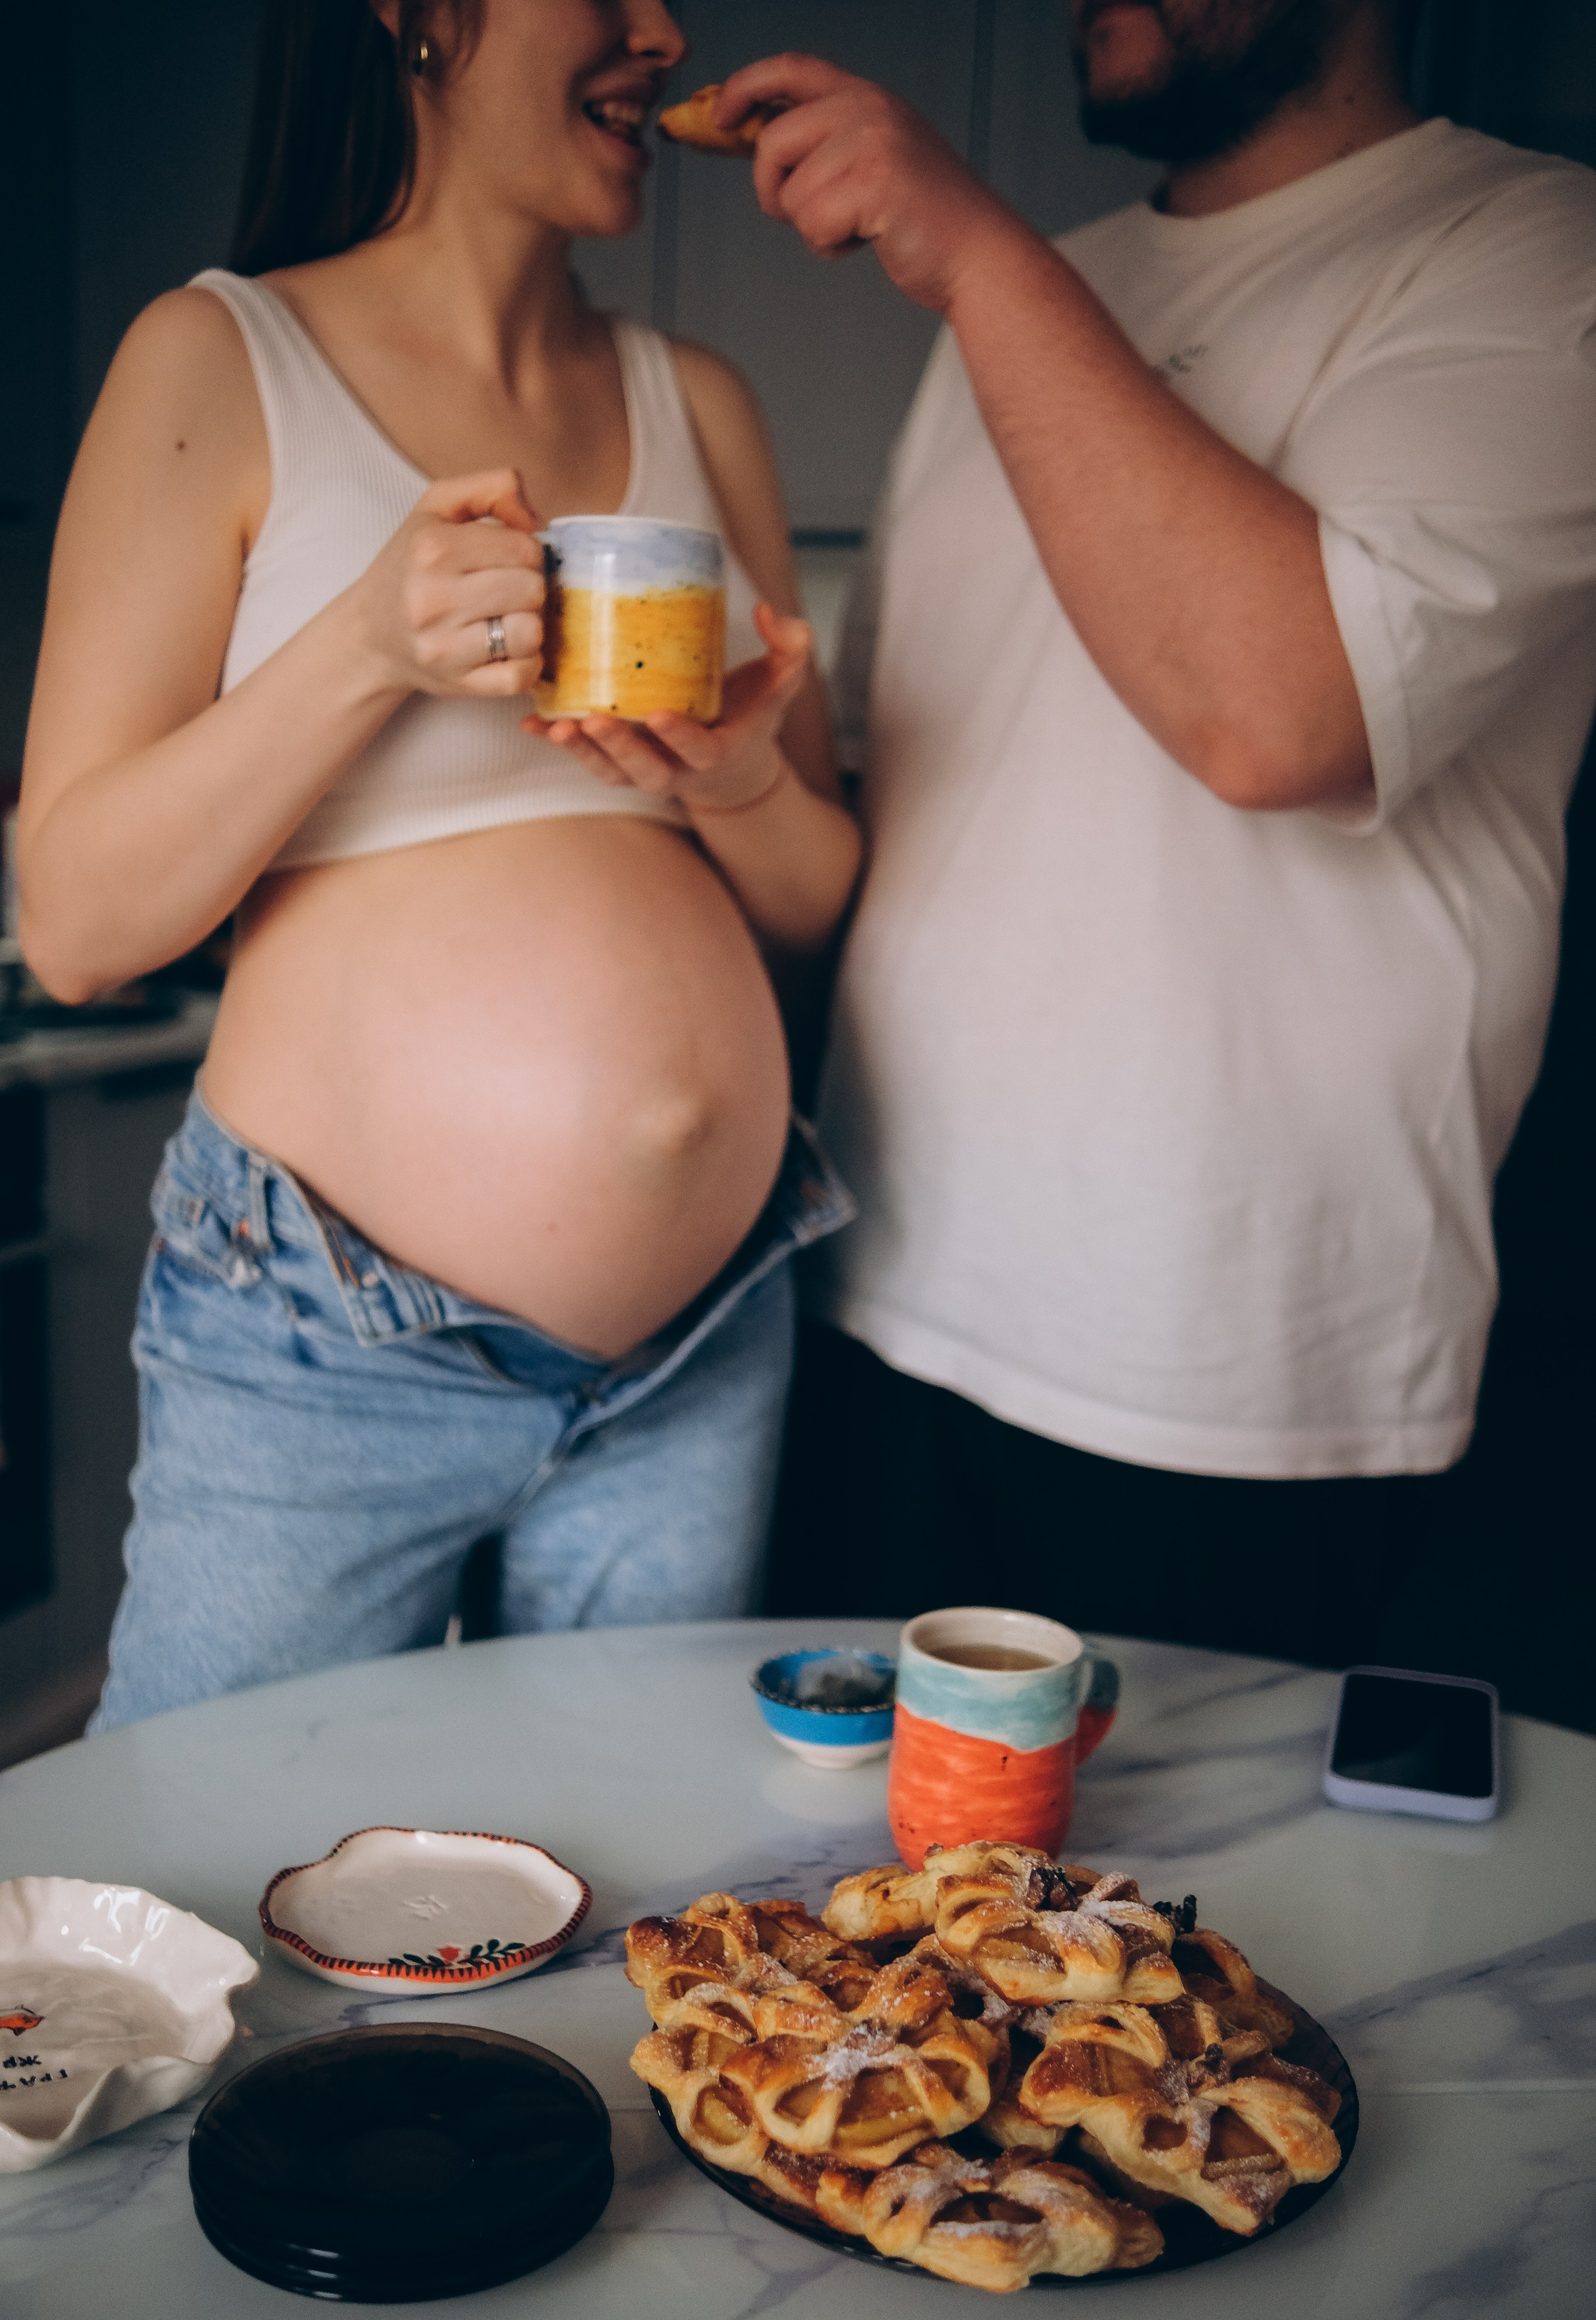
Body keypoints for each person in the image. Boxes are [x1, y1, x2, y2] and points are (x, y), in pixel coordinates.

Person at [17, 0, 860, 1729]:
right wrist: (362, 651)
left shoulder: (697, 400)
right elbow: (77, 927)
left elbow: (813, 894)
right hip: (323, 1345)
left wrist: (741, 774)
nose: (662, 29)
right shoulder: (217, 359)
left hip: (698, 1343)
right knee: (204, 1900)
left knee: (640, 1904)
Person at [726, 2, 1596, 1663]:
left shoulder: (1535, 250)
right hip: (873, 1295)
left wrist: (977, 258)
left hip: (1216, 1366)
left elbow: (1278, 716)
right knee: (827, 1909)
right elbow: (902, 793)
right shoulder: (1033, 279)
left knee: (1170, 1924)